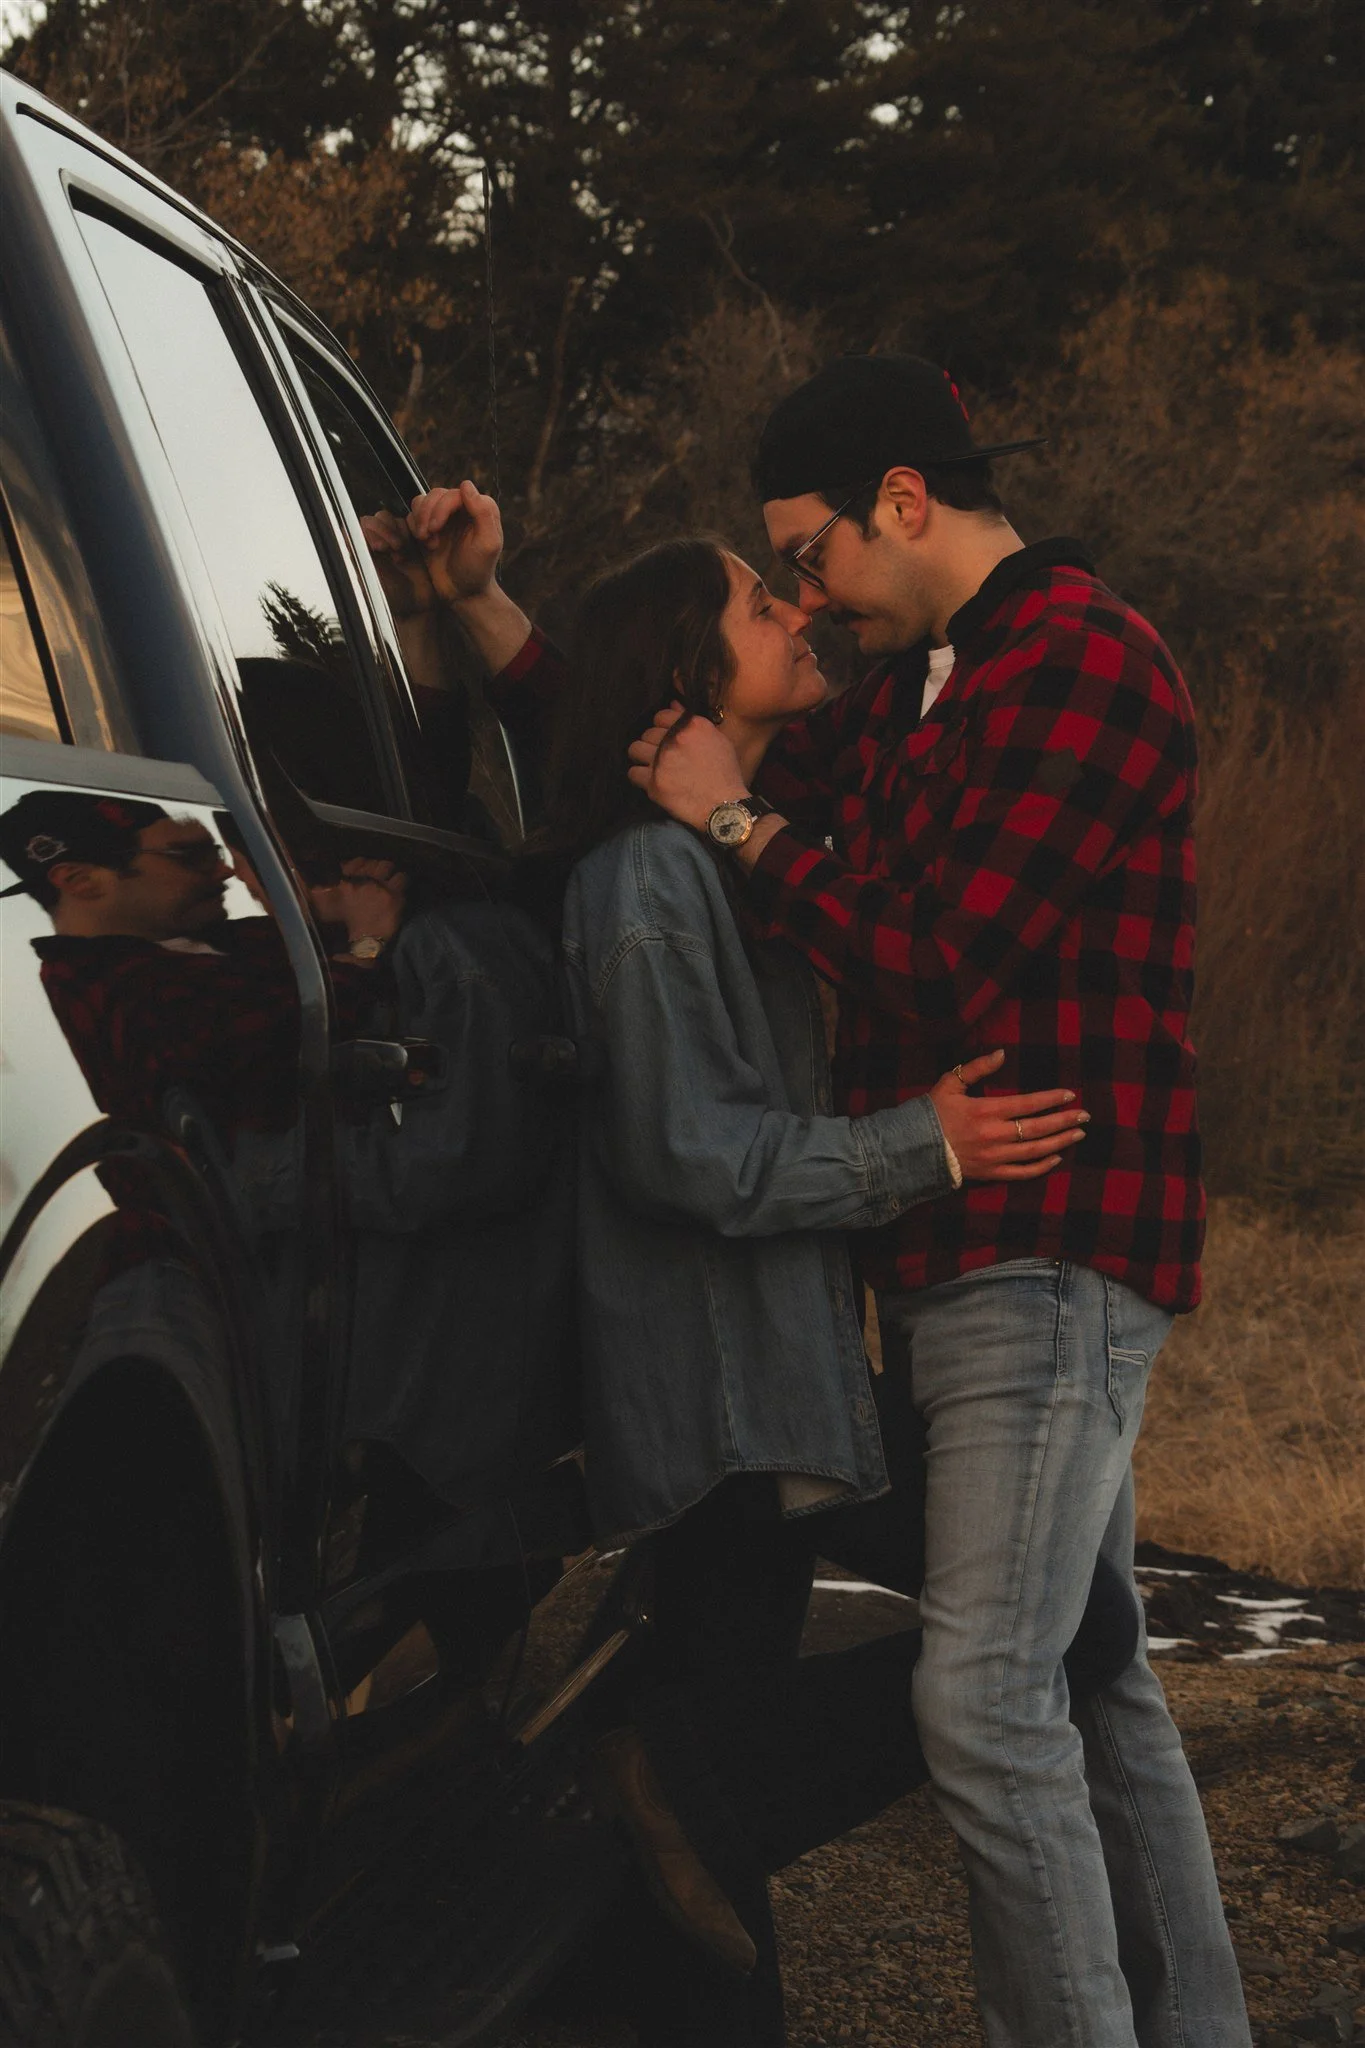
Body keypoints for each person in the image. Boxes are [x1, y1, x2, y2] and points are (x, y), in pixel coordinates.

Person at [613, 356, 1249, 2048]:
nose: (805, 590)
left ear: (904, 499)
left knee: (978, 1703)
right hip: (963, 1251)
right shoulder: (921, 695)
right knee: (1095, 1678)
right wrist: (491, 625)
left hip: (1051, 1245)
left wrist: (739, 823)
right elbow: (698, 721)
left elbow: (949, 951)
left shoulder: (1085, 660)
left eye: (808, 547)